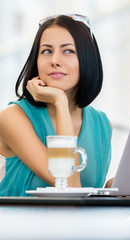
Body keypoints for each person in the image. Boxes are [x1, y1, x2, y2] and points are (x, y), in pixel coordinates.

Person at [0, 14, 113, 196]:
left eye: (68, 51)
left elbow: (85, 201)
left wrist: (111, 189)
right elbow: (69, 185)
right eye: (46, 51)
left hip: (79, 225)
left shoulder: (102, 124)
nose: (54, 60)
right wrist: (60, 102)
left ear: (87, 59)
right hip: (18, 225)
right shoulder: (12, 117)